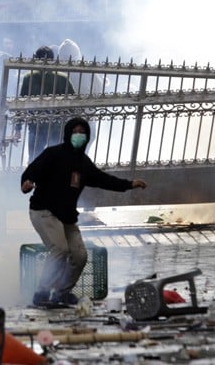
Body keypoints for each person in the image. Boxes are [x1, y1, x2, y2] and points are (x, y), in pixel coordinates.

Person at [21, 117, 146, 307]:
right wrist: (27, 183)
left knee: (80, 256)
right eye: (75, 131)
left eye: (82, 132)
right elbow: (32, 171)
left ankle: (61, 293)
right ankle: (42, 293)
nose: (79, 135)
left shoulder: (83, 163)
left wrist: (129, 185)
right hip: (43, 211)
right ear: (68, 134)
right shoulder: (53, 154)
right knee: (60, 249)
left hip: (66, 216)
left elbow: (103, 180)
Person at [15, 46, 75, 162]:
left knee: (35, 161)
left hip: (36, 127)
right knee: (57, 162)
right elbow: (74, 104)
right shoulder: (62, 78)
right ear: (53, 60)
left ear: (36, 59)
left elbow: (21, 105)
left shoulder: (29, 77)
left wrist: (18, 128)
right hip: (57, 127)